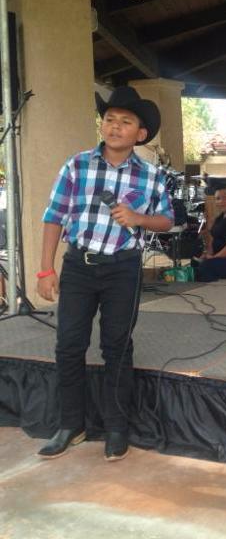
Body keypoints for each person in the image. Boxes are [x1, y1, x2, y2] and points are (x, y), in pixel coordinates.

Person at [36, 86, 174, 462]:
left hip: (123, 268)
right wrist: (46, 269)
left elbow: (166, 220)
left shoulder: (151, 176)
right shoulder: (77, 165)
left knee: (117, 346)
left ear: (140, 134)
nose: (114, 126)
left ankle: (116, 427)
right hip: (78, 266)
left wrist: (139, 218)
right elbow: (53, 216)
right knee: (68, 344)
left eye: (125, 121)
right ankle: (70, 424)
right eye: (110, 119)